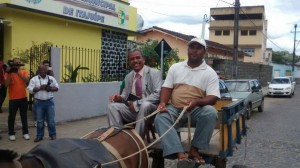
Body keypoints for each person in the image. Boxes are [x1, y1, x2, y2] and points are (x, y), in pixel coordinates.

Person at [154, 37, 220, 167]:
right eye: (192, 47)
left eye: (198, 48)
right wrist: (162, 103)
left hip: (196, 110)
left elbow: (213, 97)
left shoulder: (210, 73)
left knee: (210, 113)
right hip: (174, 108)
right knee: (160, 117)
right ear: (188, 49)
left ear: (204, 52)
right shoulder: (176, 67)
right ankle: (179, 153)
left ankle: (195, 149)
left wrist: (196, 102)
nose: (194, 51)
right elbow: (167, 88)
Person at [107, 49, 162, 139]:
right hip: (133, 110)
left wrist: (137, 103)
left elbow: (158, 94)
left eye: (137, 58)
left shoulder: (154, 73)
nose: (135, 61)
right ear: (129, 62)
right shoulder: (128, 77)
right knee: (111, 106)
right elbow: (125, 95)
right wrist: (119, 98)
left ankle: (137, 142)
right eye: (132, 59)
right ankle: (117, 138)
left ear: (143, 59)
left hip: (151, 111)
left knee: (145, 105)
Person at [27, 65, 59, 142]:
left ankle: (53, 134)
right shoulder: (34, 79)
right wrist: (38, 88)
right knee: (40, 121)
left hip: (49, 102)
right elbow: (29, 89)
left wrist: (50, 88)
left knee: (51, 121)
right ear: (38, 70)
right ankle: (39, 136)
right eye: (41, 70)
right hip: (38, 103)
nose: (42, 71)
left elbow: (57, 88)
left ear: (46, 70)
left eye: (44, 70)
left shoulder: (51, 78)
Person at [4, 57, 30, 141]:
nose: (18, 64)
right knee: (11, 117)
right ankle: (11, 133)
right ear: (13, 64)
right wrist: (10, 73)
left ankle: (25, 132)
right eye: (16, 63)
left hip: (23, 98)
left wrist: (18, 72)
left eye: (19, 62)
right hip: (13, 99)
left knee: (24, 116)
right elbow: (6, 84)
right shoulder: (8, 72)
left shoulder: (24, 71)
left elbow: (26, 80)